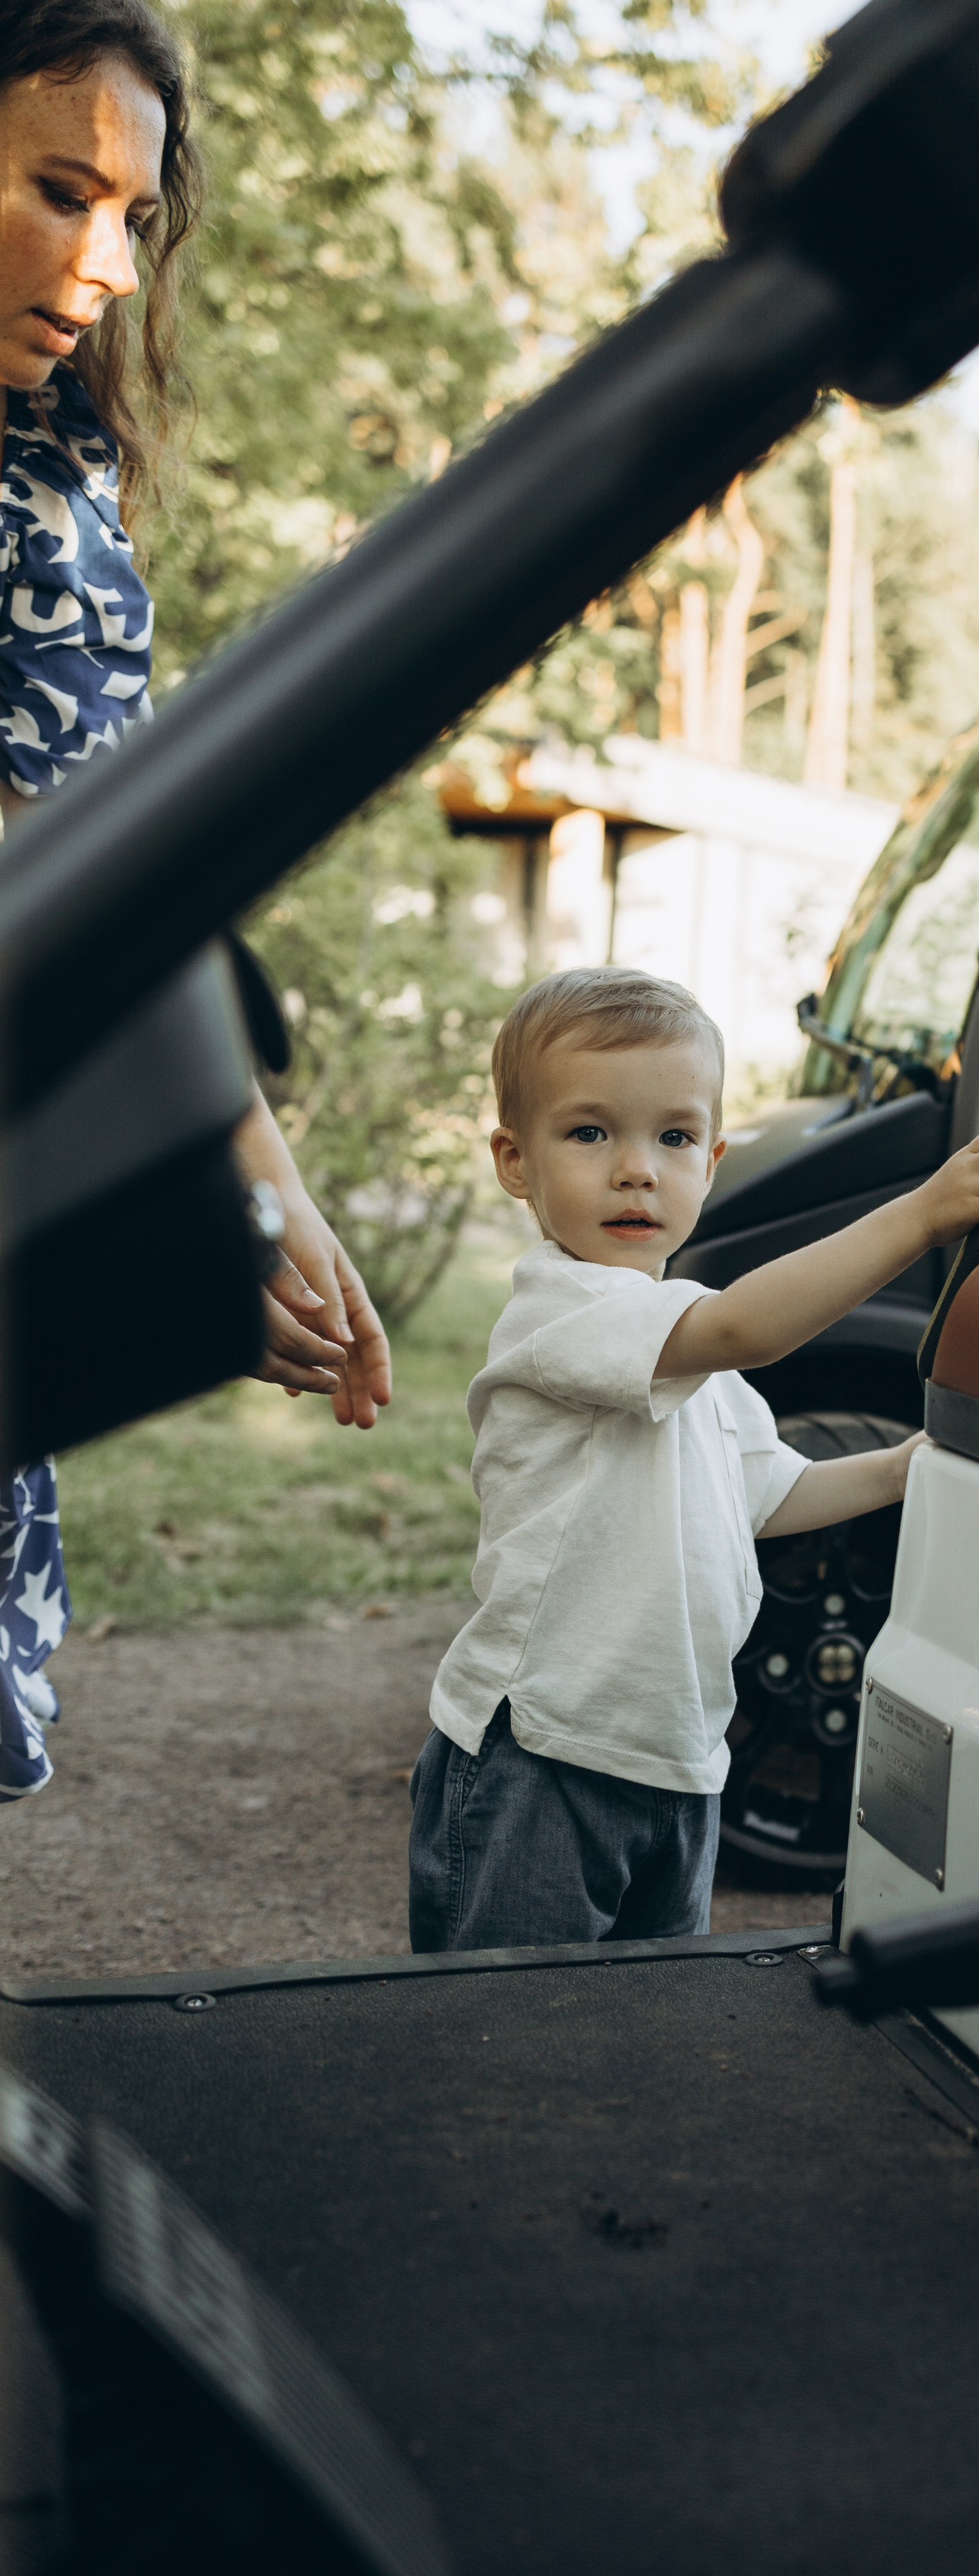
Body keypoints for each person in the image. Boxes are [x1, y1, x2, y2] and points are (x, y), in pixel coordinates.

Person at [0, 2, 390, 1799]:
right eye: (55, 189)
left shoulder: (53, 477)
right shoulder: (32, 516)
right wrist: (248, 1208)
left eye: (133, 219)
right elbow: (88, 904)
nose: (102, 264)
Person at [408, 965, 979, 1951]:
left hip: (676, 1755)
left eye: (672, 1138)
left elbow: (767, 1491)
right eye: (590, 1134)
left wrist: (892, 1472)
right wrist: (921, 1214)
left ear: (711, 1160)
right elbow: (746, 1327)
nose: (637, 1169)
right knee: (506, 2044)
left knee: (651, 2034)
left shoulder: (682, 1348)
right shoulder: (567, 1311)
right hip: (542, 1753)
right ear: (514, 1161)